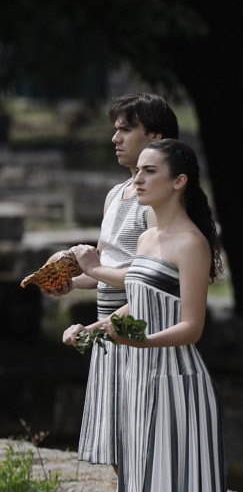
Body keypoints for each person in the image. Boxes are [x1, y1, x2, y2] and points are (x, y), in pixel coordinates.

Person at [71, 139, 231, 492]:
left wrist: (140, 345)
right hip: (142, 383)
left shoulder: (192, 243)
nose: (137, 180)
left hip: (180, 385)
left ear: (178, 181)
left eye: (149, 171)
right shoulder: (145, 241)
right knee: (139, 490)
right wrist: (89, 330)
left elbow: (192, 326)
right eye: (137, 171)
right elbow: (135, 308)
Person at [56, 93, 180, 467]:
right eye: (116, 130)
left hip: (140, 328)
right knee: (115, 444)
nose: (116, 138)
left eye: (126, 130)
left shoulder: (157, 202)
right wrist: (70, 281)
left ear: (155, 138)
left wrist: (92, 270)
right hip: (109, 332)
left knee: (142, 443)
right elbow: (106, 265)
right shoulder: (116, 194)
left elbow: (152, 280)